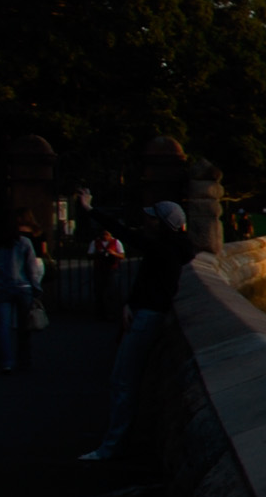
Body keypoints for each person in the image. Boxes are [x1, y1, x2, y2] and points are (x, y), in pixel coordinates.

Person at [78, 197, 197, 461]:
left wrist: (90, 210)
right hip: (145, 313)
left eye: (152, 217)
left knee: (123, 380)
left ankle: (111, 448)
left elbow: (123, 234)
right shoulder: (175, 248)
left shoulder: (161, 248)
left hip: (146, 317)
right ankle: (119, 442)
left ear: (163, 223)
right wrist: (130, 303)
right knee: (127, 379)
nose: (147, 220)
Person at [0, 214, 44, 375]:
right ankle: (24, 360)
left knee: (3, 326)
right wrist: (36, 287)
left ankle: (5, 362)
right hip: (22, 287)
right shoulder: (24, 242)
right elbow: (31, 268)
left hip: (1, 287)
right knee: (24, 327)